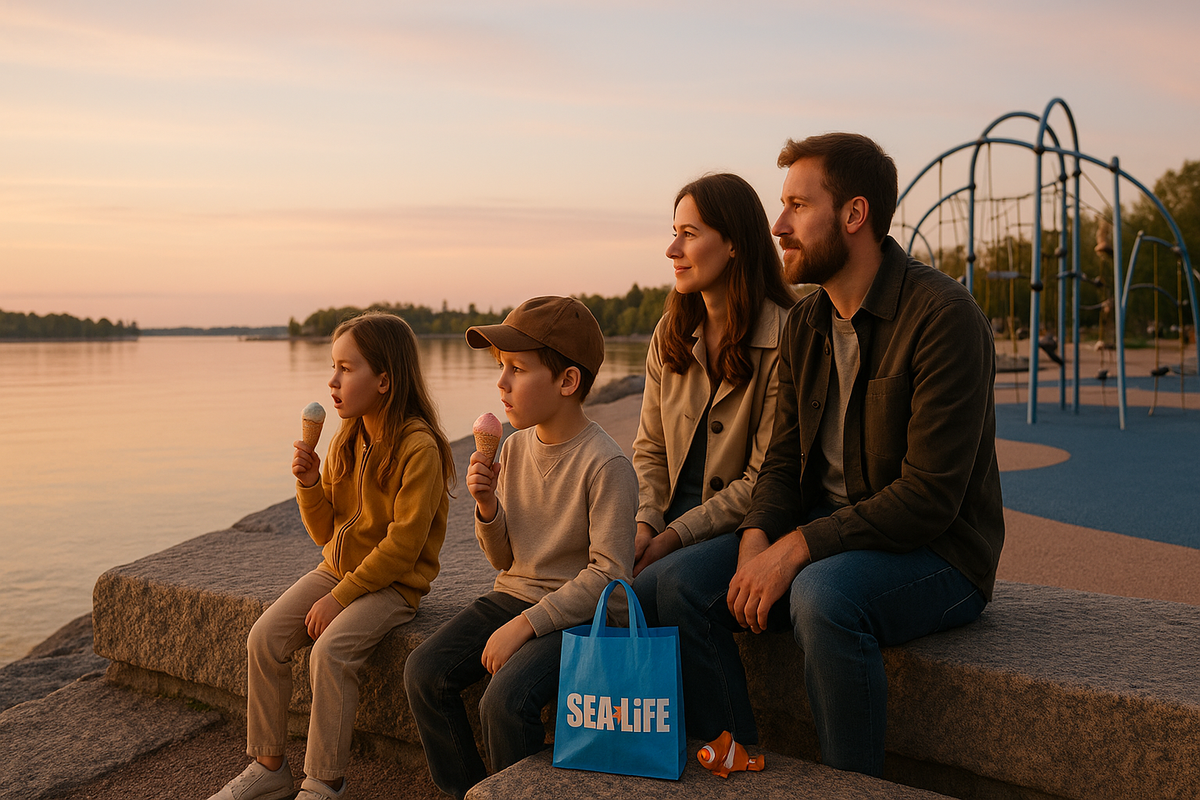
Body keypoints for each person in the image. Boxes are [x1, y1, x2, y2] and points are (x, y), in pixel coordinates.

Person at [648, 133, 1005, 777]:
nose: (778, 226)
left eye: (796, 206)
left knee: (822, 597)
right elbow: (782, 463)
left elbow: (929, 498)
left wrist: (794, 549)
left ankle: (851, 787)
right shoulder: (807, 322)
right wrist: (757, 544)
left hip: (938, 553)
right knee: (678, 584)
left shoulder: (943, 316)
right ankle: (739, 762)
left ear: (854, 215)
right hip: (830, 536)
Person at [208, 312, 455, 800]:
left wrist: (339, 599)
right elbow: (326, 532)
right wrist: (307, 483)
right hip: (338, 570)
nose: (332, 380)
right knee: (264, 638)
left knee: (330, 653)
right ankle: (269, 767)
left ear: (384, 380)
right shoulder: (349, 438)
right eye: (333, 367)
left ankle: (324, 782)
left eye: (346, 367)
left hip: (393, 585)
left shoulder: (418, 448)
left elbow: (403, 547)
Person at [403, 296, 638, 800]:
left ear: (567, 382)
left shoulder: (606, 465)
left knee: (504, 701)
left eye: (517, 369)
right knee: (424, 672)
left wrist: (526, 625)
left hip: (579, 619)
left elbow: (611, 582)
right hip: (514, 594)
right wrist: (487, 506)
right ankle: (471, 792)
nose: (501, 383)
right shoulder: (512, 446)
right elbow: (505, 561)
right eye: (500, 368)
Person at [631, 173, 795, 582]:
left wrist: (672, 538)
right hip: (660, 523)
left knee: (663, 584)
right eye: (674, 233)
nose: (672, 250)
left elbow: (763, 477)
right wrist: (643, 525)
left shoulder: (787, 337)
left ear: (734, 243)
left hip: (735, 528)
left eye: (689, 233)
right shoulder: (670, 332)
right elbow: (649, 450)